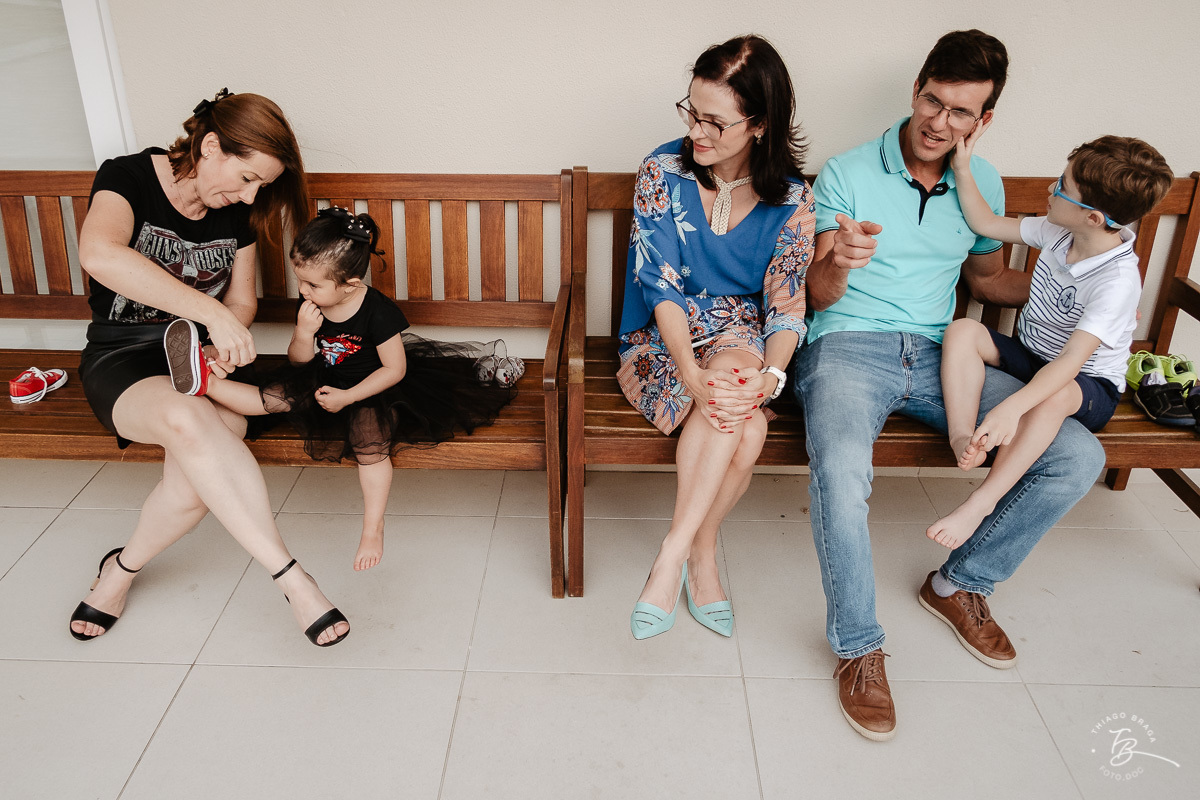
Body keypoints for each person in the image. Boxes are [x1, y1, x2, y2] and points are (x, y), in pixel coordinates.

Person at [797, 30, 1106, 740]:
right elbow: (815, 294)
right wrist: (840, 260)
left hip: (945, 355)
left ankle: (959, 583)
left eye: (961, 112)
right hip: (847, 347)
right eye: (933, 101)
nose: (940, 122)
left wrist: (1088, 288)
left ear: (983, 119)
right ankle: (859, 648)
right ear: (916, 89)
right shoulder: (846, 172)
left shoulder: (982, 182)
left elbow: (988, 280)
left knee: (1077, 454)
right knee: (841, 470)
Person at [69, 89, 350, 647]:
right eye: (246, 178)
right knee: (192, 423)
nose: (249, 195)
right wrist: (209, 312)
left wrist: (222, 340)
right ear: (212, 146)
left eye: (260, 186)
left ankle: (119, 571)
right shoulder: (127, 177)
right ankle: (293, 578)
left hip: (198, 362)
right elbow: (99, 254)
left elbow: (241, 301)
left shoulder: (236, 211)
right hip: (124, 355)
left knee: (200, 468)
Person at [163, 207, 515, 571]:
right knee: (273, 398)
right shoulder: (312, 304)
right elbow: (299, 361)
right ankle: (204, 381)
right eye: (300, 281)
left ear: (350, 284)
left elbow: (395, 370)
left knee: (370, 442)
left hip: (373, 387)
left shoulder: (378, 312)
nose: (304, 291)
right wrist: (304, 333)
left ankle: (373, 527)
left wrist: (349, 397)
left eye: (313, 285)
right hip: (325, 377)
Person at [619, 35, 814, 639]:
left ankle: (673, 553)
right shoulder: (662, 170)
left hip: (739, 337)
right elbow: (660, 286)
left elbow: (787, 304)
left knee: (737, 391)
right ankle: (700, 556)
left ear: (760, 124)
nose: (696, 132)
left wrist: (771, 376)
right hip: (660, 337)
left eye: (716, 122)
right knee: (746, 426)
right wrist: (689, 372)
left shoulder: (794, 199)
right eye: (692, 112)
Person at [928, 133, 1173, 548]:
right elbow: (986, 223)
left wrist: (1011, 409)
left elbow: (1071, 364)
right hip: (1033, 355)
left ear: (1092, 218)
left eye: (1062, 186)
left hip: (1087, 385)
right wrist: (963, 168)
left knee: (1054, 395)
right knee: (962, 330)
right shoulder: (1058, 231)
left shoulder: (1116, 281)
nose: (1050, 187)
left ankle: (982, 502)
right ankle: (962, 437)